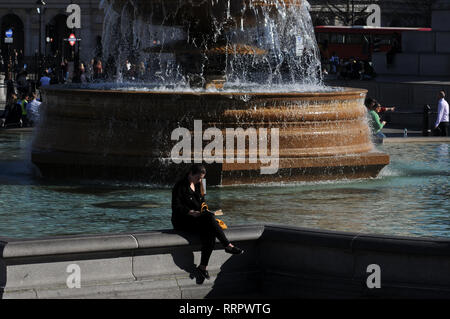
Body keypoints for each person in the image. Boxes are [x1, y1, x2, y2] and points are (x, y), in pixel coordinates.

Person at [172, 164, 243, 280]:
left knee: (210, 230)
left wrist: (206, 210)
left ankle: (203, 267)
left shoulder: (201, 184)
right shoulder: (180, 186)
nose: (200, 180)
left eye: (202, 178)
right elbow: (176, 207)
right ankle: (227, 245)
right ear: (190, 174)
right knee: (210, 221)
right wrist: (190, 212)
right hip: (183, 220)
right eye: (198, 177)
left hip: (198, 217)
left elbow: (203, 203)